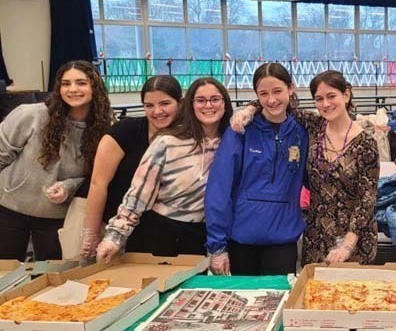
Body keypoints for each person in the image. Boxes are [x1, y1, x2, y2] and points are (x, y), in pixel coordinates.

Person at [232, 70, 379, 265]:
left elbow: (366, 200)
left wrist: (347, 245)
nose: (325, 104)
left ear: (346, 94)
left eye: (331, 96)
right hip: (318, 234)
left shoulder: (366, 143)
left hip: (355, 236)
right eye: (319, 99)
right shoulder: (314, 126)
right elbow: (277, 101)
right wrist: (249, 109)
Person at [95, 78, 232, 262]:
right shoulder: (167, 142)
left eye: (215, 99)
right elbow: (138, 194)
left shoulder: (232, 142)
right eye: (201, 100)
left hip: (202, 234)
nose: (208, 105)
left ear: (225, 102)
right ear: (190, 104)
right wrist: (115, 236)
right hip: (159, 232)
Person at [0, 60, 112, 260]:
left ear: (95, 87)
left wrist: (69, 187)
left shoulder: (105, 129)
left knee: (50, 277)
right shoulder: (31, 114)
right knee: (4, 272)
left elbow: (98, 177)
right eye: (66, 83)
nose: (73, 89)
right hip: (8, 210)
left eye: (81, 83)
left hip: (57, 217)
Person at [205, 63, 309, 276]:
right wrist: (217, 246)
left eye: (277, 91)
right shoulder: (240, 129)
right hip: (242, 239)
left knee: (279, 302)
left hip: (283, 239)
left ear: (291, 88)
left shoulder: (303, 132)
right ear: (256, 96)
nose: (271, 100)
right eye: (263, 93)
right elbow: (219, 188)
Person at [78, 75, 182, 259]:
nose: (157, 111)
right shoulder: (126, 130)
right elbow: (97, 183)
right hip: (102, 217)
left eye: (165, 103)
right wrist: (91, 233)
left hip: (145, 226)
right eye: (149, 105)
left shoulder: (185, 136)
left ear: (179, 103)